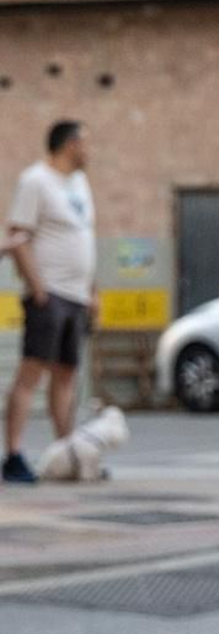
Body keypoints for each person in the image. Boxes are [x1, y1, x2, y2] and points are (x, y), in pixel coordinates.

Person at [4, 121, 98, 485]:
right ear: (70, 144)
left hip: (76, 295)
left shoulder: (79, 184)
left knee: (67, 375)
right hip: (50, 294)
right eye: (85, 143)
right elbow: (18, 235)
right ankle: (13, 455)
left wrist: (93, 290)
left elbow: (84, 237)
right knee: (31, 374)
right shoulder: (35, 181)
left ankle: (66, 453)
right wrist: (38, 288)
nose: (89, 151)